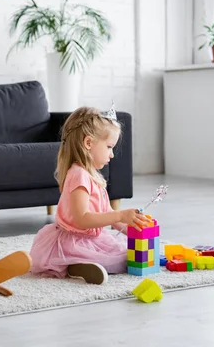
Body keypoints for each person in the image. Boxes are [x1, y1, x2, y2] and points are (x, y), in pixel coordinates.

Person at [29, 105, 149, 285]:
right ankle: (74, 265)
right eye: (109, 147)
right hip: (74, 241)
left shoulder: (92, 175)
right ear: (88, 143)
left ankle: (80, 264)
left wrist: (133, 228)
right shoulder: (79, 175)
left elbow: (107, 213)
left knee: (130, 254)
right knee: (120, 260)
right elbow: (82, 219)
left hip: (92, 239)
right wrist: (120, 214)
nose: (112, 155)